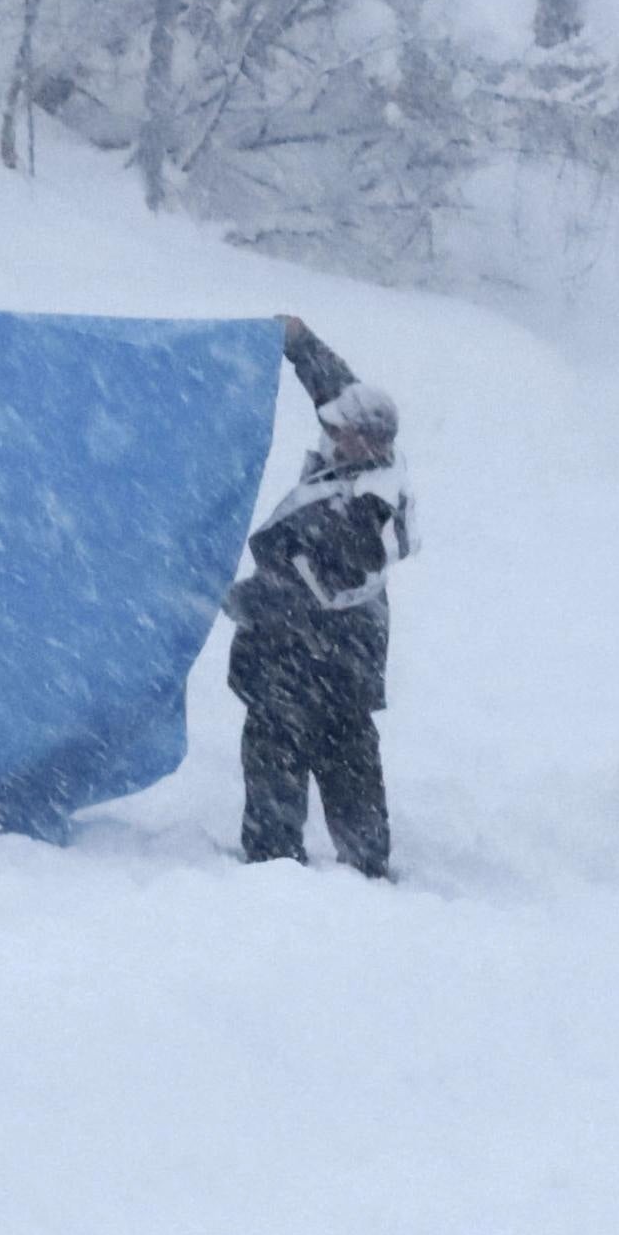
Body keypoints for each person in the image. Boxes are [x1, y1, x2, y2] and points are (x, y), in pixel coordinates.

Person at [224, 316, 413, 878]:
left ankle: (276, 861)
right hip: (333, 656)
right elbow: (339, 390)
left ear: (367, 440)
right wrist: (302, 345)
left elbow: (320, 586)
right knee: (343, 747)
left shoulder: (366, 508)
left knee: (287, 745)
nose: (327, 435)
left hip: (316, 652)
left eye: (339, 430)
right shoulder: (369, 460)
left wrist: (241, 599)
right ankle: (361, 858)